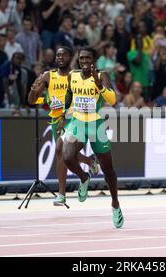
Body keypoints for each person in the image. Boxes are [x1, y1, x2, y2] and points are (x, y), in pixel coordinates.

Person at [58, 46, 124, 228]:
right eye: (82, 58)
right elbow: (69, 94)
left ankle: (115, 204)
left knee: (108, 169)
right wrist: (64, 114)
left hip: (95, 124)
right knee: (67, 156)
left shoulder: (101, 75)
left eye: (88, 58)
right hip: (77, 122)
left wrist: (100, 85)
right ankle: (84, 177)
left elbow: (112, 100)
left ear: (94, 60)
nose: (84, 61)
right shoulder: (73, 75)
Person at [28, 47, 99, 206]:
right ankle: (89, 163)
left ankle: (61, 194)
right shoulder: (48, 76)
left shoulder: (76, 75)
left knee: (61, 150)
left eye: (64, 55)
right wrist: (33, 90)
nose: (60, 57)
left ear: (70, 57)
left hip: (72, 118)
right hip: (55, 120)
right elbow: (32, 100)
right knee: (65, 153)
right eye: (58, 55)